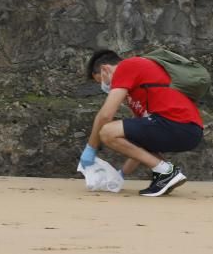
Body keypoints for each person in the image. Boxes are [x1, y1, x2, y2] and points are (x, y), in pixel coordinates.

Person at [81, 49, 204, 197]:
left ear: (105, 69)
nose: (105, 86)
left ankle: (167, 172)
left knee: (107, 131)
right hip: (187, 130)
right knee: (130, 135)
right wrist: (120, 176)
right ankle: (164, 175)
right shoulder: (136, 93)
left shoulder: (127, 66)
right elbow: (139, 144)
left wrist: (90, 148)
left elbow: (106, 115)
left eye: (101, 81)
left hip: (180, 124)